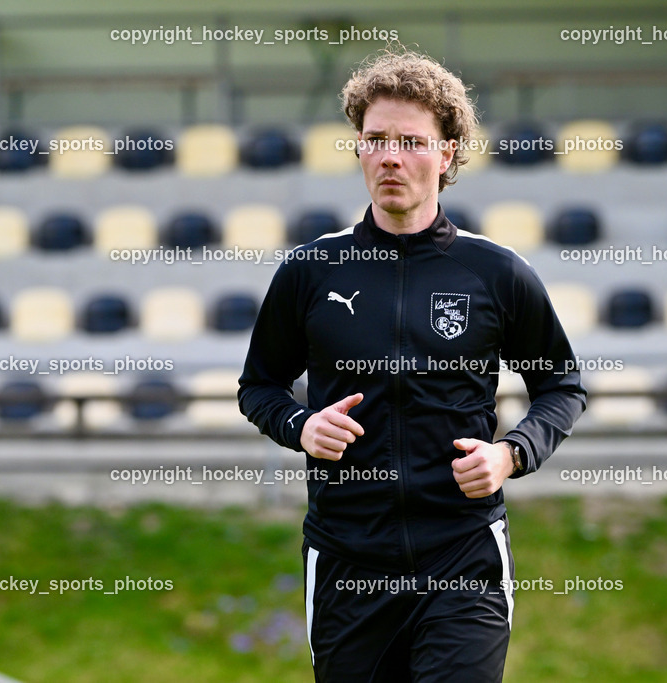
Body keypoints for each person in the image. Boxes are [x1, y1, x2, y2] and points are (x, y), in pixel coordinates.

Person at [238, 46, 586, 682]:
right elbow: (259, 385)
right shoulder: (311, 271)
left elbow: (561, 386)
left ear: (448, 152)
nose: (389, 156)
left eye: (410, 141)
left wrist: (510, 454)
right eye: (374, 140)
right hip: (348, 560)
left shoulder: (496, 272)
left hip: (462, 556)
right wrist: (300, 427)